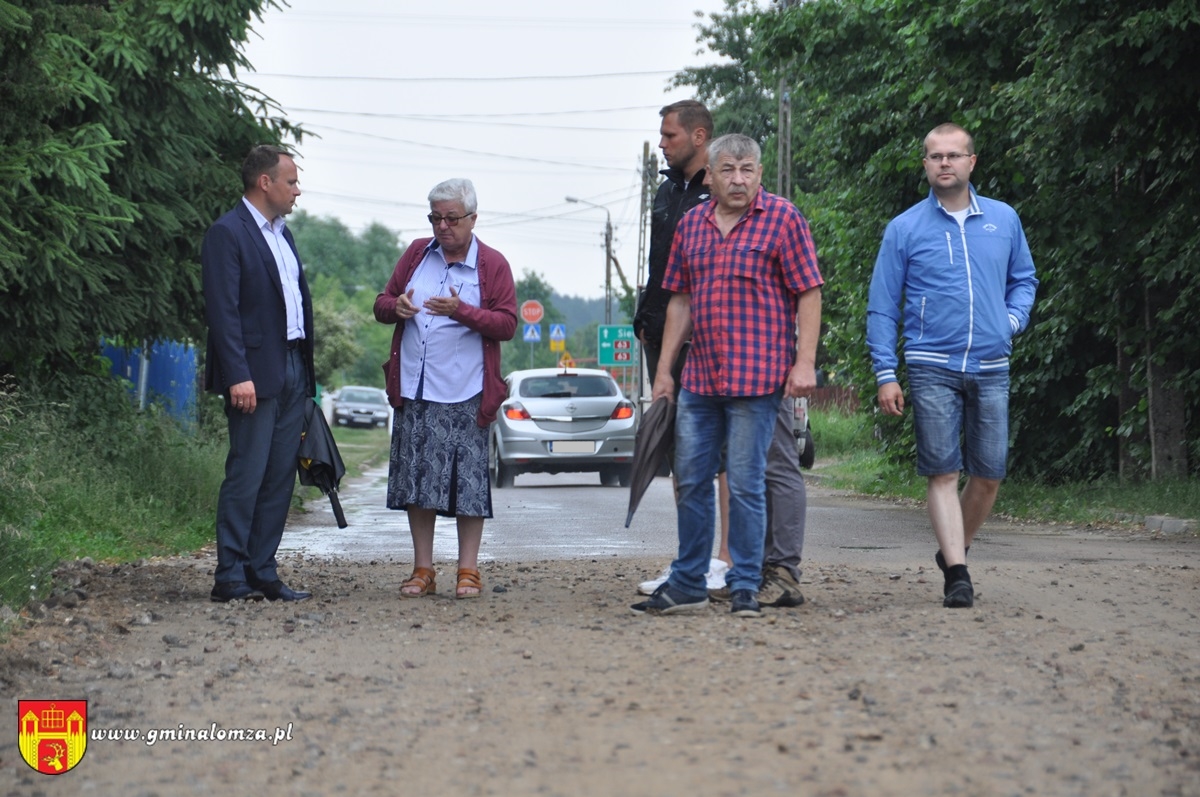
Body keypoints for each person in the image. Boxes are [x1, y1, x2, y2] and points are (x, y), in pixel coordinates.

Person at [632, 134, 824, 618]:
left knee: (745, 483)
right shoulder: (693, 224)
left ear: (760, 173)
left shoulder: (783, 219)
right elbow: (680, 299)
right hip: (699, 379)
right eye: (729, 170)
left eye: (747, 169)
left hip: (759, 380)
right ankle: (689, 580)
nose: (738, 179)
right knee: (692, 479)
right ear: (711, 176)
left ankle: (743, 583)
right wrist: (664, 372)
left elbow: (808, 292)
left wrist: (804, 362)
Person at [867, 123, 1038, 609]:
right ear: (924, 164)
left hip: (991, 361)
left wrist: (1010, 320)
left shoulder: (1003, 220)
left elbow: (1024, 278)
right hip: (929, 363)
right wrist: (886, 372)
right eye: (935, 156)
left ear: (971, 162)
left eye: (953, 156)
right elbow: (882, 306)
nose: (945, 163)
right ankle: (958, 574)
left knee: (989, 474)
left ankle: (952, 550)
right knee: (942, 470)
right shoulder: (905, 228)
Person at [374, 179, 517, 599]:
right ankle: (423, 569)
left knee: (467, 484)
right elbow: (382, 303)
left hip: (466, 391)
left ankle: (467, 570)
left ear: (473, 218)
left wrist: (464, 312)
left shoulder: (491, 264)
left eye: (451, 218)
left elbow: (507, 323)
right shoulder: (417, 254)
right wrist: (395, 306)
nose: (442, 226)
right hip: (416, 387)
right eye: (435, 217)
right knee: (418, 481)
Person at [202, 144, 315, 603]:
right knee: (247, 473)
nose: (297, 190)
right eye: (291, 181)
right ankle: (229, 575)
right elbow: (223, 311)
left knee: (279, 476)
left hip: (291, 366)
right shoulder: (227, 233)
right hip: (252, 372)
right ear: (264, 182)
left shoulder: (282, 235)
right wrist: (237, 374)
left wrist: (307, 373)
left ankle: (262, 570)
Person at [632, 100, 731, 592]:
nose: (662, 144)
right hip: (663, 330)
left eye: (669, 136)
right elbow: (661, 267)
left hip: (715, 336)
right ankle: (691, 558)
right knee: (680, 450)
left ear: (698, 137)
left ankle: (727, 560)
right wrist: (645, 314)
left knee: (725, 454)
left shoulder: (724, 188)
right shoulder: (666, 190)